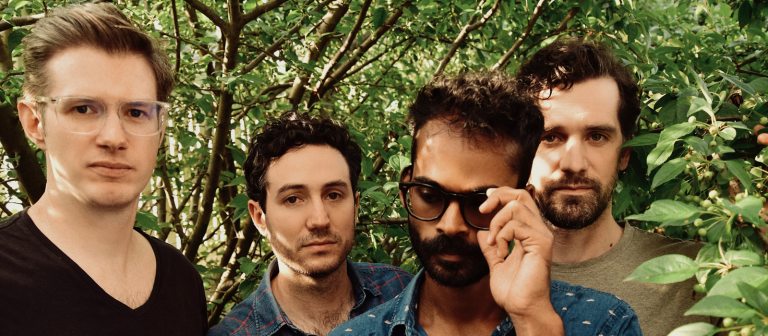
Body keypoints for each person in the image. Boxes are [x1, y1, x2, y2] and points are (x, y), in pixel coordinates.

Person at [331, 73, 641, 336]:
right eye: (430, 195)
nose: (450, 225)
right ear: (405, 190)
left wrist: (532, 318)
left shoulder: (606, 323)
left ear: (524, 205)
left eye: (480, 202)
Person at [0, 3, 206, 336]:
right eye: (83, 109)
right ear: (34, 122)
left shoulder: (182, 280)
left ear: (161, 126)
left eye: (136, 112)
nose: (113, 137)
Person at [516, 39, 704, 336]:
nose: (574, 163)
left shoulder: (698, 275)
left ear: (624, 155)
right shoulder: (477, 277)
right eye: (551, 137)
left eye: (597, 136)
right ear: (521, 151)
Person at [208, 113, 412, 336]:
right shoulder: (236, 333)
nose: (319, 220)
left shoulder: (401, 291)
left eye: (333, 195)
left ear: (356, 206)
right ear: (260, 218)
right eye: (293, 199)